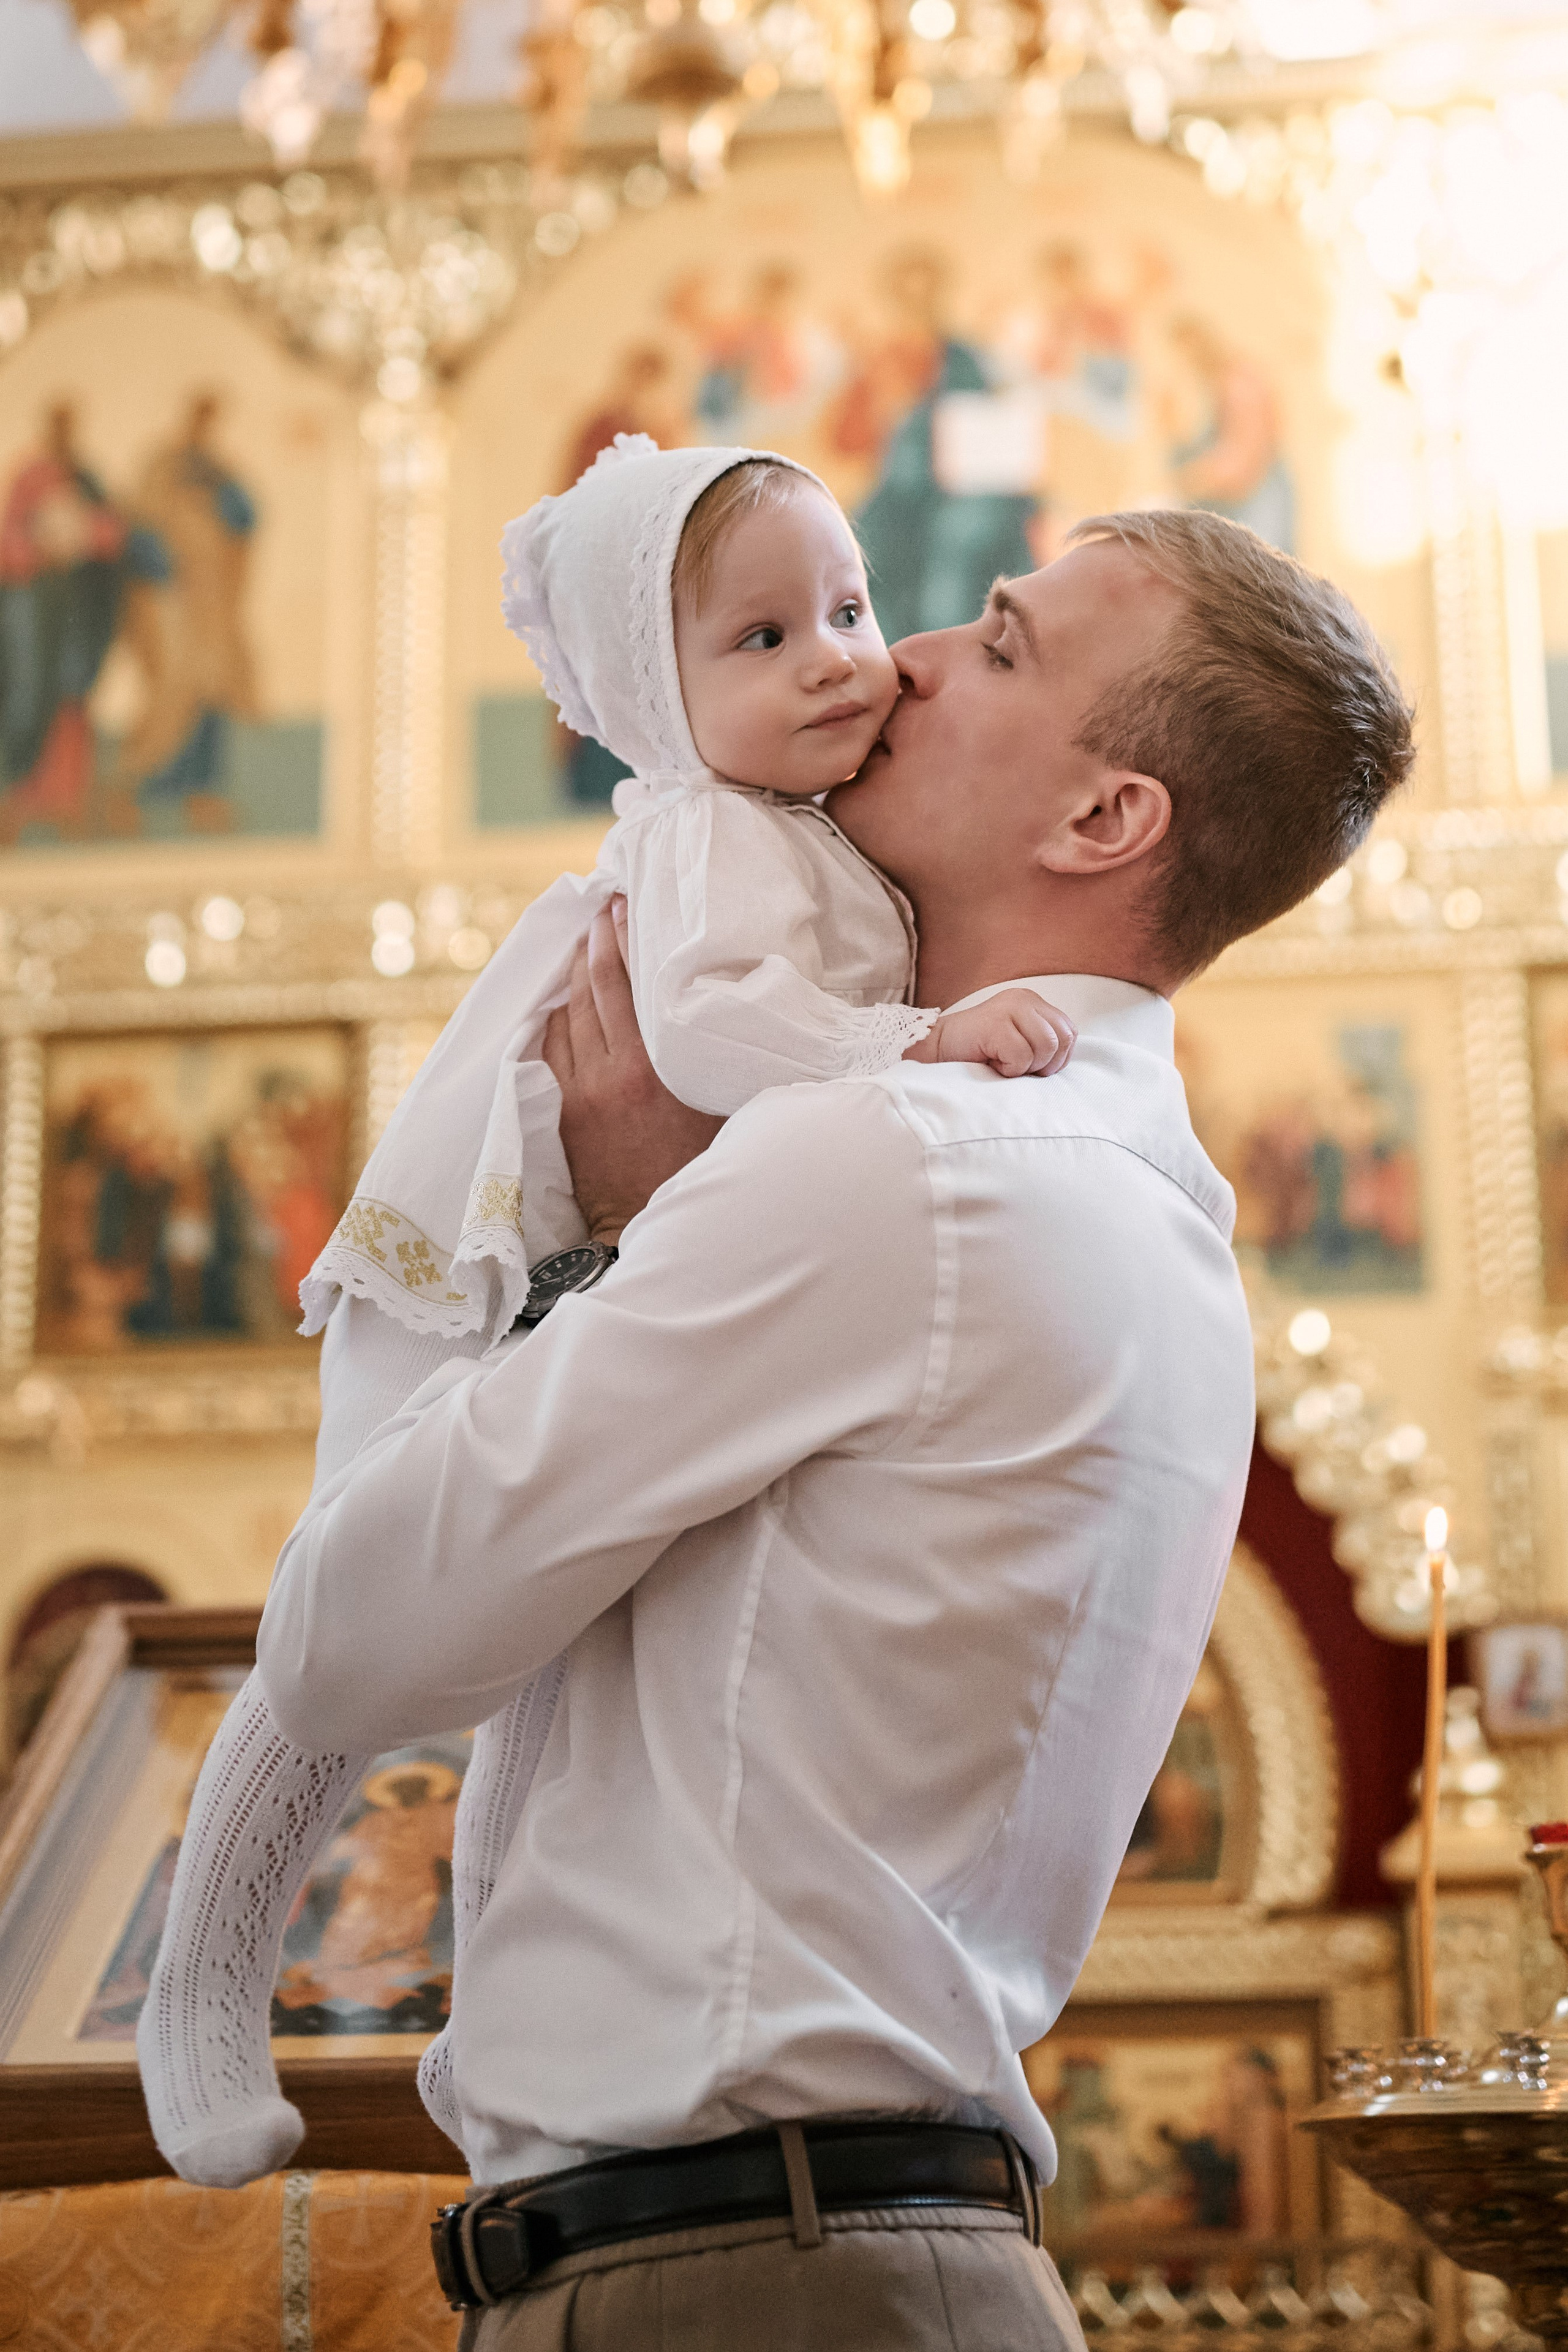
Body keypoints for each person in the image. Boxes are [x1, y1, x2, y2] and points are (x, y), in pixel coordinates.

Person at [250, 510, 1413, 2347]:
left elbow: (348, 1644)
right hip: (859, 2247)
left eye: (1006, 646)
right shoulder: (1141, 1189)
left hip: (731, 2278)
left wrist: (602, 1245)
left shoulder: (894, 1154)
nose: (909, 658)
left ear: (1106, 820)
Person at [136, 436, 1069, 2192]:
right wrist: (912, 1046)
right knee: (356, 1595)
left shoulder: (802, 823)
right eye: (766, 638)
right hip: (497, 1227)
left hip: (615, 1243)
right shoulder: (716, 831)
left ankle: (485, 2025)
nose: (842, 660)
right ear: (656, 694)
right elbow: (714, 1036)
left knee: (541, 1636)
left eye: (852, 608)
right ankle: (202, 1978)